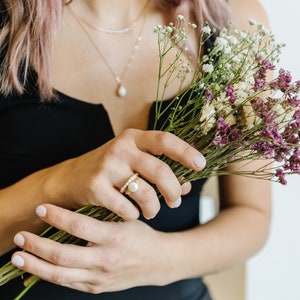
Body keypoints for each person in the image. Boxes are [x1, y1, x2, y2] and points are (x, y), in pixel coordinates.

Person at [0, 0, 271, 299]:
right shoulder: (8, 22)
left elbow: (252, 215)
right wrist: (59, 183)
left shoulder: (236, 18)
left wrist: (162, 260)